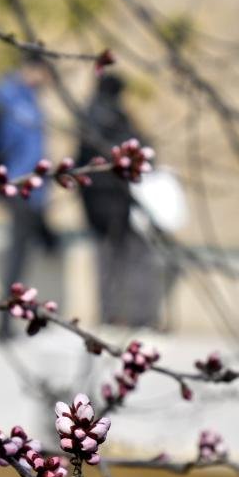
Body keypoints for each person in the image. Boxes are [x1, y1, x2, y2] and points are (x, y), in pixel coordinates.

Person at [76, 74, 162, 328]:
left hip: (103, 203)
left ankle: (114, 314)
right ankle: (132, 315)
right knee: (128, 258)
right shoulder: (107, 118)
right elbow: (137, 150)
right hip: (116, 202)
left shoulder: (91, 116)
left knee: (112, 260)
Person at [0, 56, 55, 338]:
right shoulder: (12, 100)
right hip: (19, 185)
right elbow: (8, 144)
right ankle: (6, 318)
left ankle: (13, 313)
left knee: (30, 248)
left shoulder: (28, 100)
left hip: (32, 189)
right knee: (17, 254)